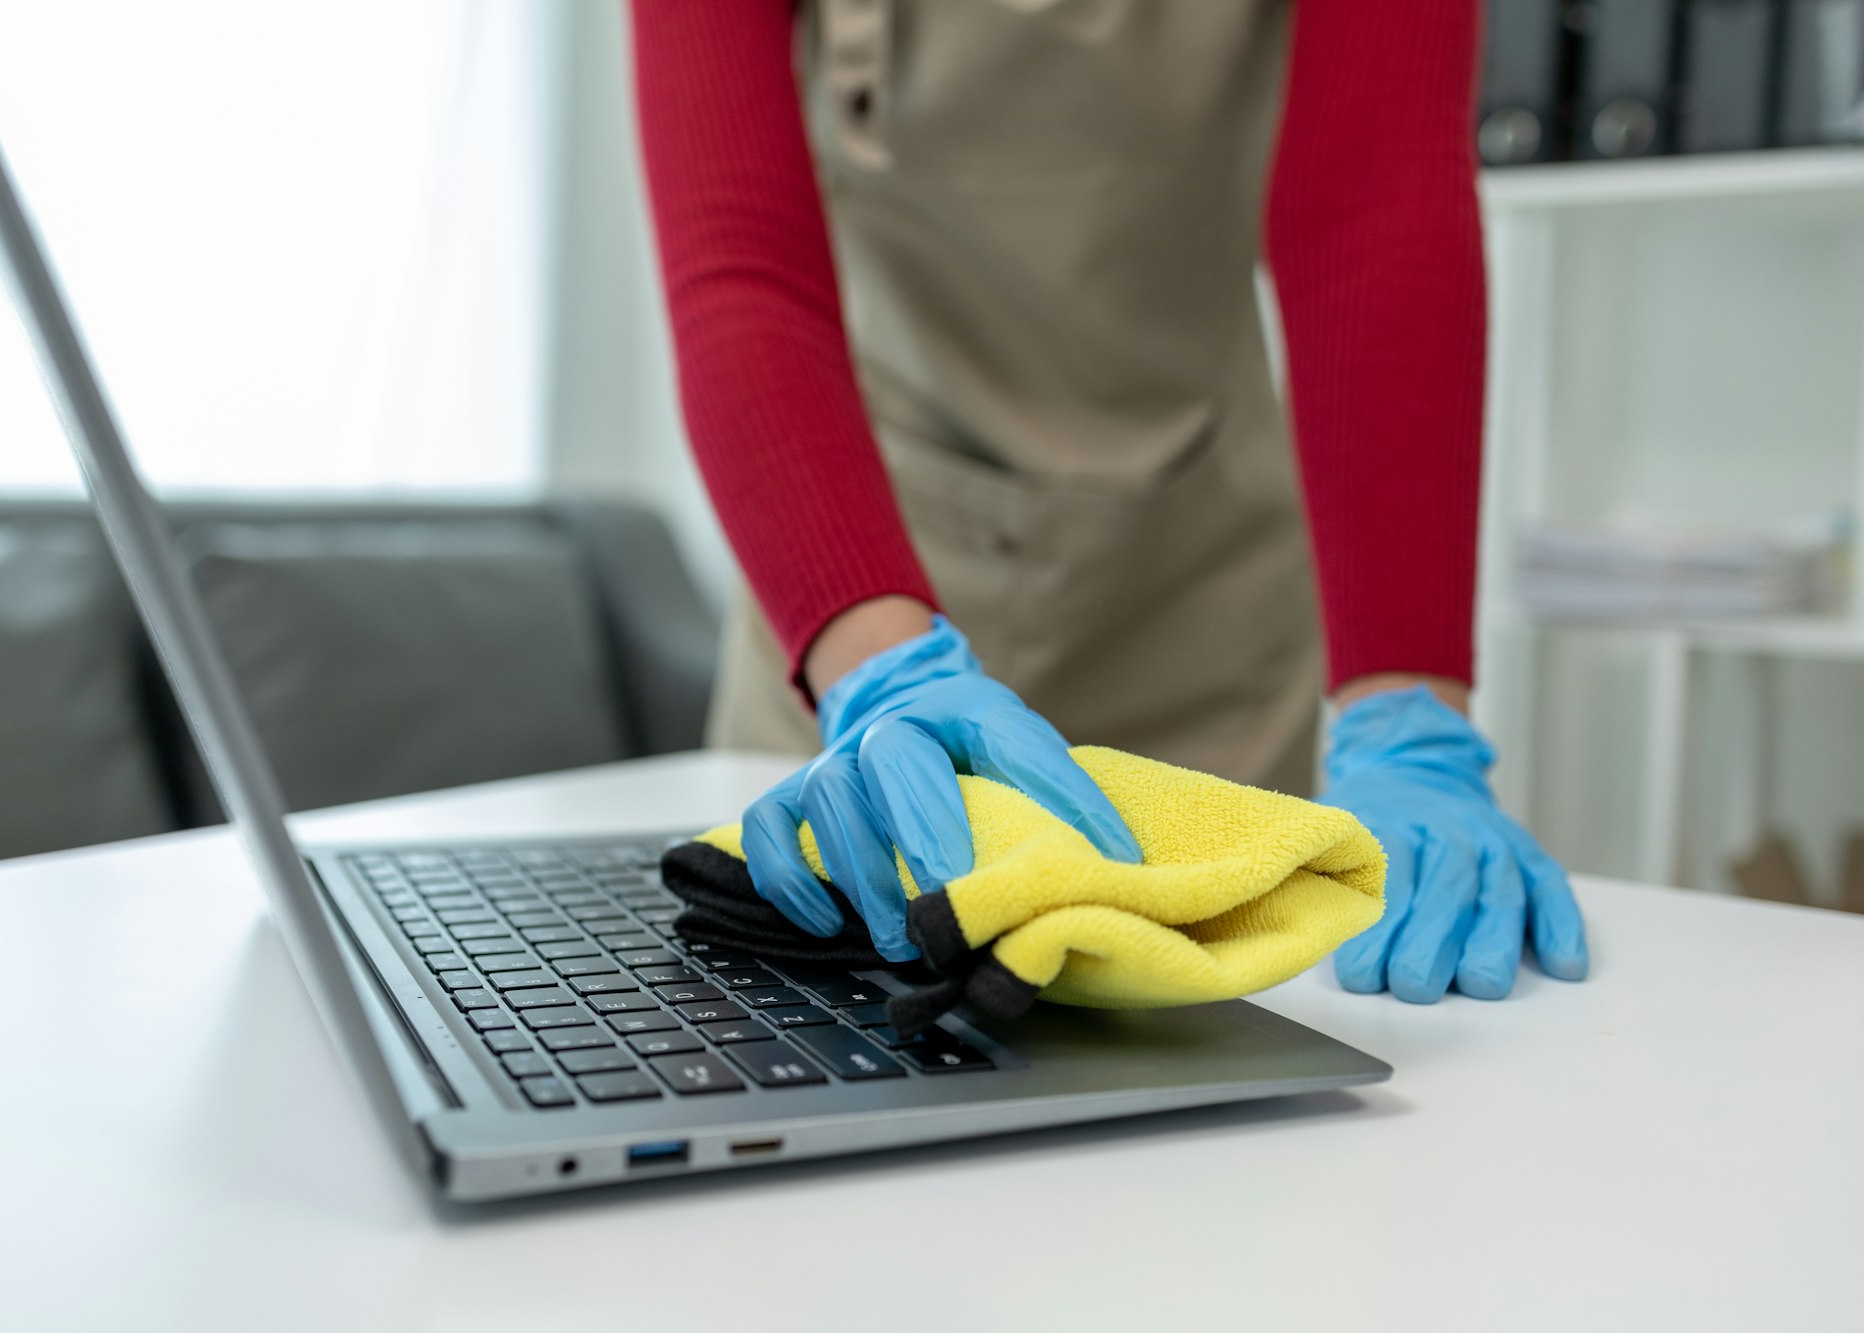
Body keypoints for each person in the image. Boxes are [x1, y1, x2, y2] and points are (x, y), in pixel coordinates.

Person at [628, 0, 1589, 1003]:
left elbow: (1371, 202)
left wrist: (1407, 709)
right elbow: (741, 263)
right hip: (855, 573)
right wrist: (875, 671)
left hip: (1200, 587)